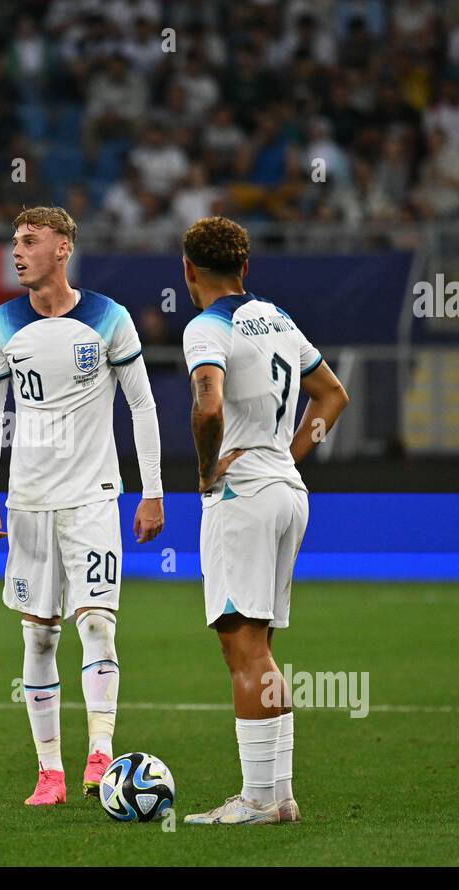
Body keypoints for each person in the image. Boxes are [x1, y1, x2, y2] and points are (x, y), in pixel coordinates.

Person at [0, 206, 164, 806]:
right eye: (14, 242)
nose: (17, 251)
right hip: (29, 503)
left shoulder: (109, 318)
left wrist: (152, 489)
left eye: (29, 241)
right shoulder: (0, 325)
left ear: (62, 249)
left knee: (99, 626)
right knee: (38, 639)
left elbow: (142, 406)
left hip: (93, 498)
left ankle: (101, 755)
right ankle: (49, 773)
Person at [177, 216, 349, 825]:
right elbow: (332, 396)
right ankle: (278, 796)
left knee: (243, 648)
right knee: (262, 647)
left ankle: (257, 799)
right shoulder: (277, 318)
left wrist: (205, 471)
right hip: (286, 491)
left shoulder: (205, 326)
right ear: (245, 268)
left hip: (243, 497)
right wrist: (287, 456)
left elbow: (208, 404)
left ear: (189, 271)